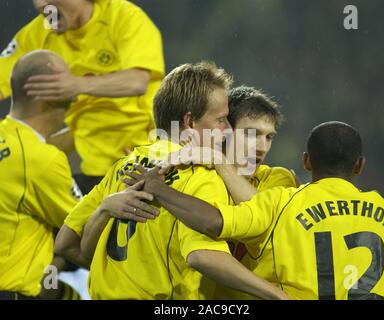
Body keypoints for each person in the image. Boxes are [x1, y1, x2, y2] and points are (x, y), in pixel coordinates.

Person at [55, 62, 288, 300]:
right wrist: (278, 296)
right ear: (189, 121)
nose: (227, 129)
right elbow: (203, 255)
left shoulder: (125, 166)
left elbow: (65, 244)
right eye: (221, 119)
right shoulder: (199, 175)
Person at [130, 121, 384, 300]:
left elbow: (213, 222)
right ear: (359, 165)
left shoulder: (281, 202)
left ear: (306, 162)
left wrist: (159, 188)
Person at [0, 0, 165, 194]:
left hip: (148, 162)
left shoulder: (124, 17)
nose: (40, 3)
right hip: (95, 172)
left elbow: (137, 82)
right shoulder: (38, 32)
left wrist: (75, 85)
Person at [0, 50, 82, 300]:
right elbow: (87, 235)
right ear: (43, 94)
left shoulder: (12, 143)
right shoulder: (41, 159)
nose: (75, 94)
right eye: (64, 83)